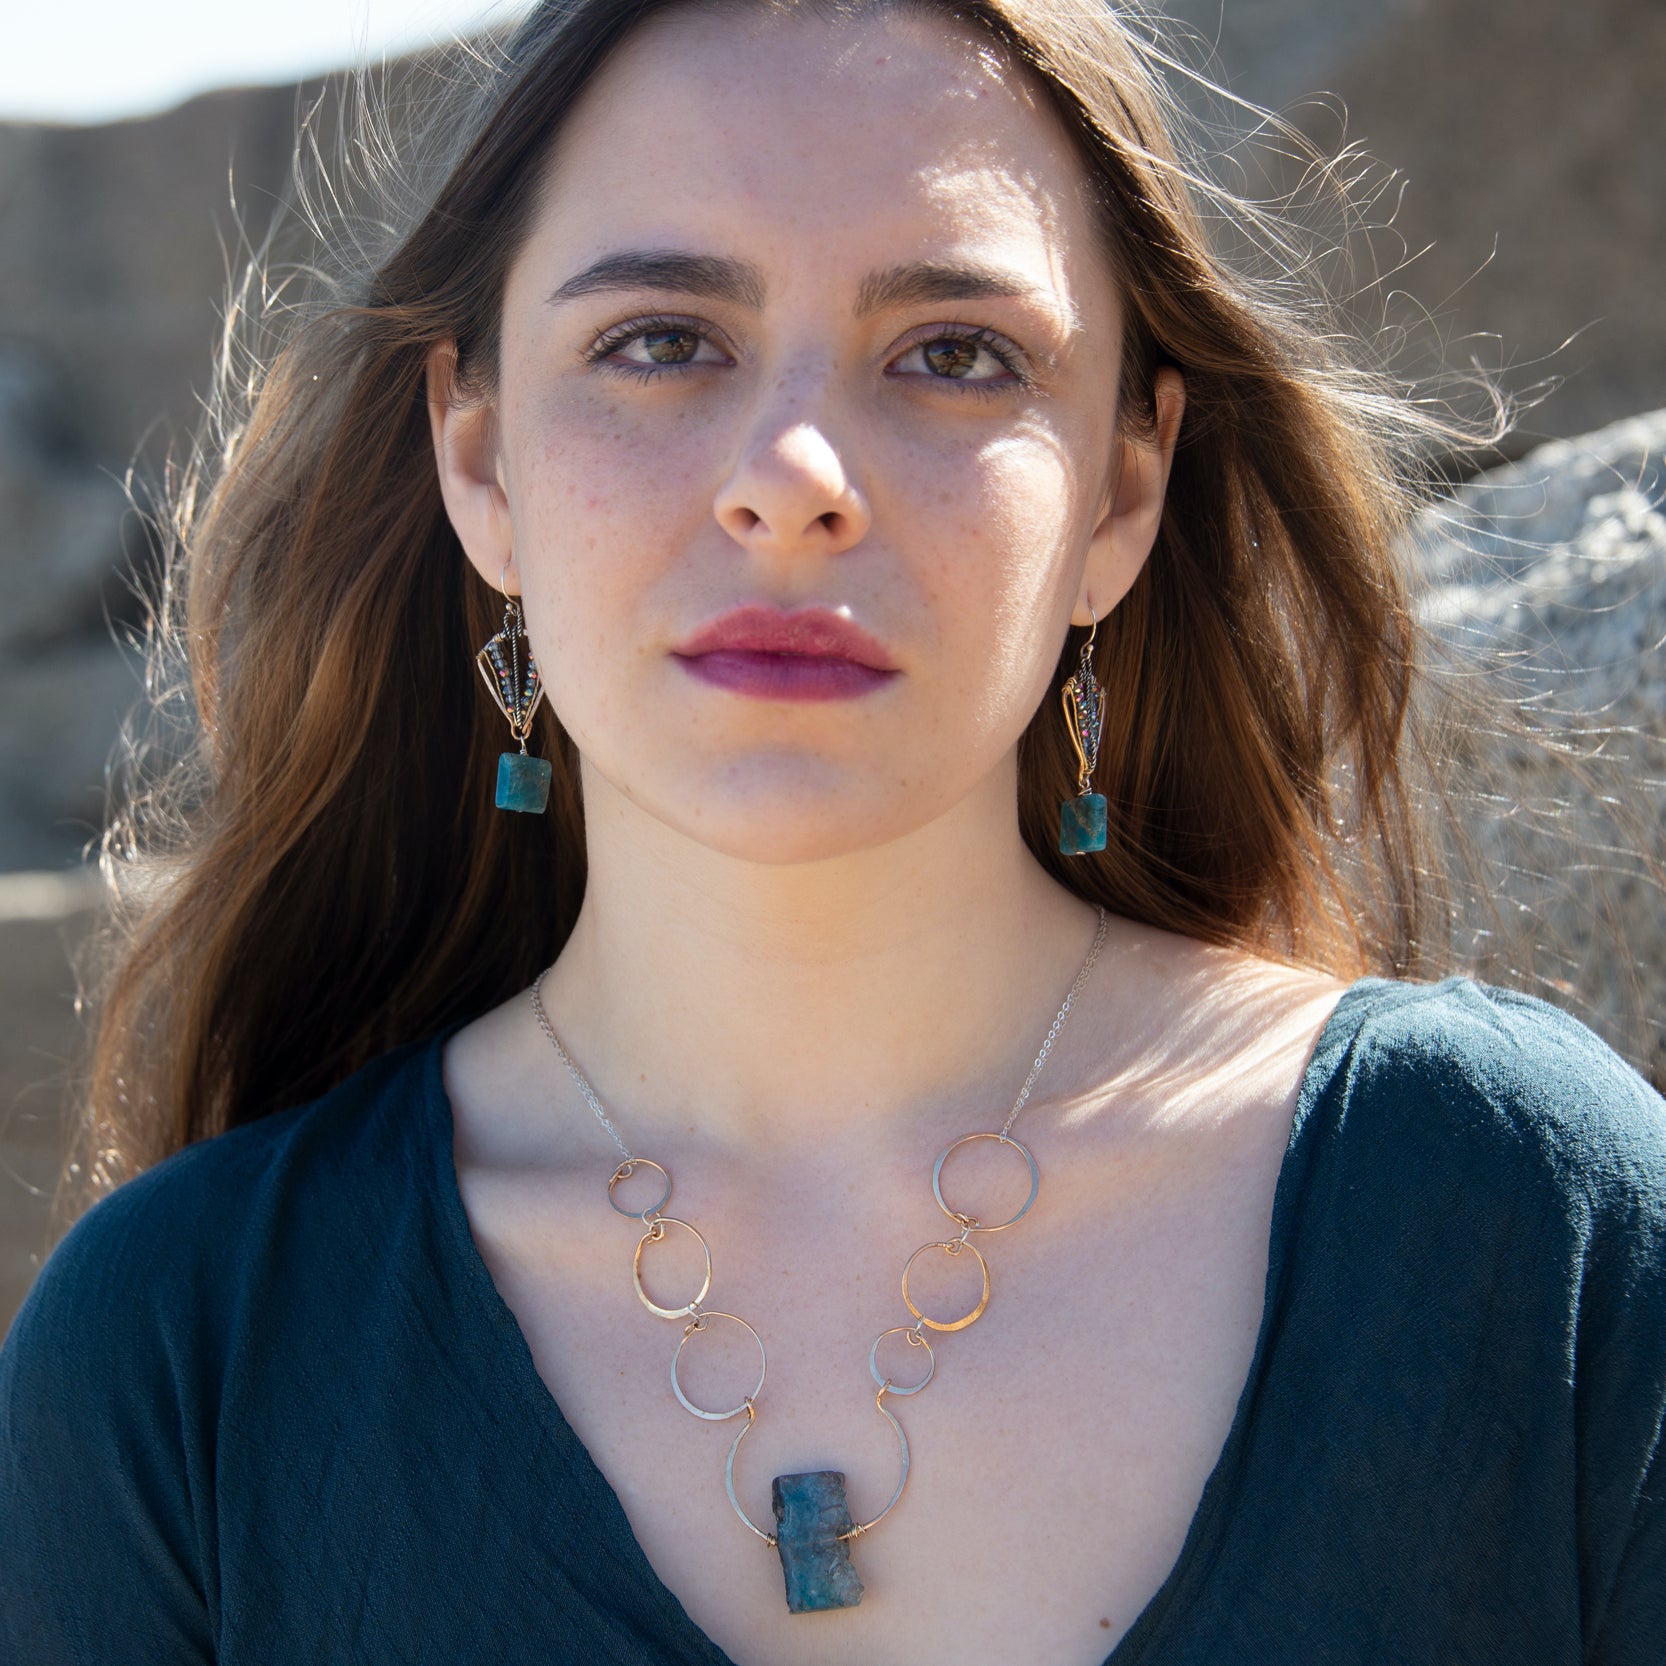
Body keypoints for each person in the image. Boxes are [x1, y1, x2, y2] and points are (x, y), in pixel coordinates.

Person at [3, 0, 1662, 1661]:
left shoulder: (1525, 1223)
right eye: (661, 338)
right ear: (480, 456)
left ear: (1121, 493)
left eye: (954, 352)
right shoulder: (186, 1351)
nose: (791, 476)